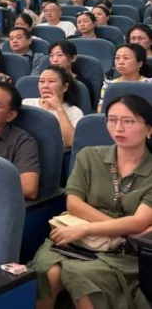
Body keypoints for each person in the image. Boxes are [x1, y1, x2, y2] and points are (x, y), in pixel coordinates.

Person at [29, 94, 152, 309]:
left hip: (123, 252)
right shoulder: (89, 156)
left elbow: (140, 221)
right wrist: (120, 229)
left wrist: (87, 229)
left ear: (149, 129)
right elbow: (73, 204)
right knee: (47, 272)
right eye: (112, 120)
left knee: (82, 279)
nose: (118, 128)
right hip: (76, 239)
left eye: (128, 121)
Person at [22, 66, 84, 146]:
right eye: (41, 81)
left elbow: (71, 142)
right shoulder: (27, 103)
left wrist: (59, 108)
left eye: (51, 81)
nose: (45, 86)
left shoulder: (74, 111)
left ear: (65, 87)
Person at [98, 43, 152, 112]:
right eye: (117, 58)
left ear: (139, 64)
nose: (120, 62)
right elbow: (101, 108)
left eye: (126, 58)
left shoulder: (150, 84)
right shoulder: (109, 84)